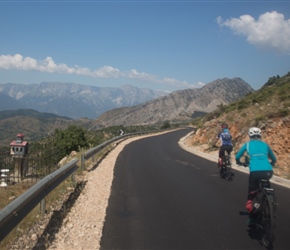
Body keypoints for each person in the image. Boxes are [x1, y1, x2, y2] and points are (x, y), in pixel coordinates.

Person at [235, 127, 276, 226]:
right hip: (268, 171)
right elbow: (274, 159)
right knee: (267, 186)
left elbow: (237, 157)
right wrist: (271, 164)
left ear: (250, 135)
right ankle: (270, 201)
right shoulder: (265, 145)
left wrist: (240, 163)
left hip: (255, 172)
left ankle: (252, 218)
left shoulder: (247, 145)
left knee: (252, 194)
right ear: (260, 135)